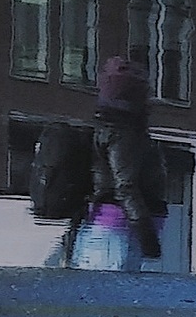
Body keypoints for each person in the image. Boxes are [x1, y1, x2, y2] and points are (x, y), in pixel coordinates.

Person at [71, 57, 170, 273]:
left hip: (113, 231)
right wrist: (148, 238)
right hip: (118, 232)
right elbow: (125, 186)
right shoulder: (124, 134)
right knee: (109, 301)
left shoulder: (109, 128)